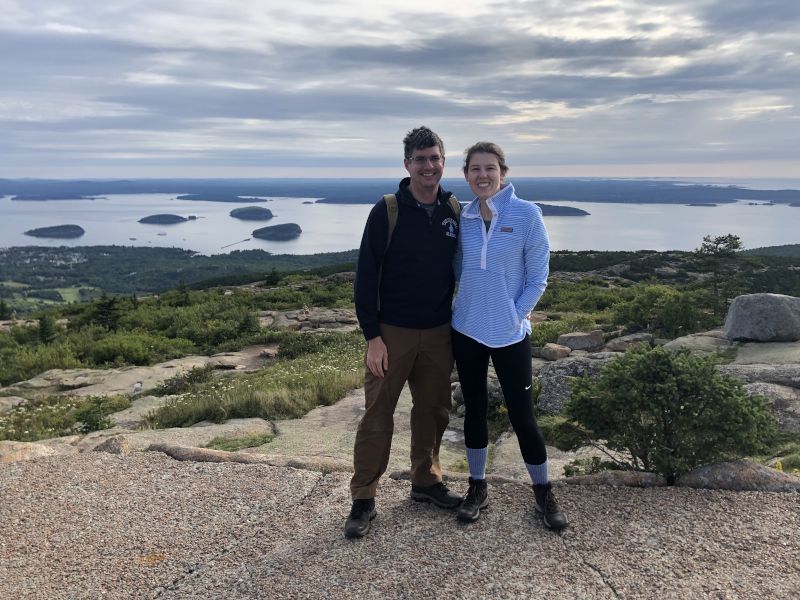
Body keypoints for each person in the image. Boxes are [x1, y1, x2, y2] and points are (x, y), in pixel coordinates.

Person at [345, 126, 462, 539]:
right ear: (407, 164)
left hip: (437, 332)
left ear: (443, 162)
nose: (428, 166)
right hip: (391, 333)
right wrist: (372, 337)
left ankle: (426, 482)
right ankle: (363, 498)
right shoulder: (388, 209)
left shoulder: (453, 209)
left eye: (435, 158)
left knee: (432, 411)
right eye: (420, 159)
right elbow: (365, 277)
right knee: (378, 414)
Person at [451, 141, 568, 530]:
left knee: (523, 416)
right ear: (466, 174)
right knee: (475, 411)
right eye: (475, 169)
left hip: (510, 334)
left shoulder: (527, 213)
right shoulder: (463, 217)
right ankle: (477, 488)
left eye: (490, 168)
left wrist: (515, 317)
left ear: (503, 172)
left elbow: (538, 277)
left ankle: (543, 492)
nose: (482, 176)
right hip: (467, 329)